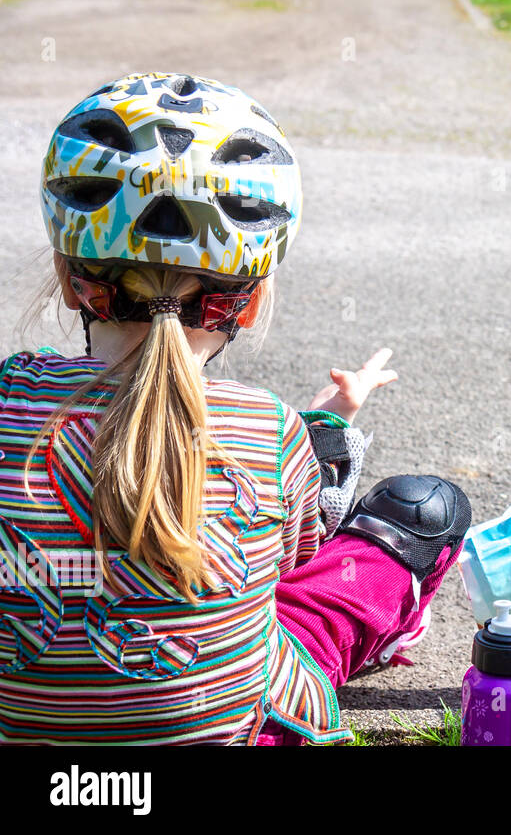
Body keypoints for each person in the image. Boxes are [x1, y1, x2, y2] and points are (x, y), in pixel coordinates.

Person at [0, 73, 470, 745]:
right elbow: (295, 561)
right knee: (423, 511)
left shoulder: (9, 394)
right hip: (242, 730)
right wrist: (323, 437)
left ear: (72, 281)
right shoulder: (271, 431)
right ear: (246, 301)